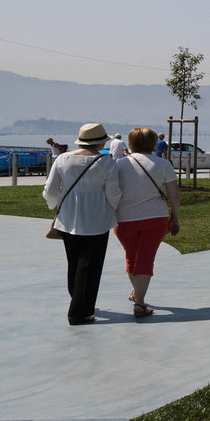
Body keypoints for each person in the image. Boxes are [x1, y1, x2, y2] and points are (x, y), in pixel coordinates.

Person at [42, 122, 122, 325]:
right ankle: (80, 310)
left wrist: (55, 205)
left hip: (68, 219)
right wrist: (112, 209)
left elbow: (50, 189)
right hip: (97, 220)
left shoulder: (62, 159)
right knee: (91, 266)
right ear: (101, 141)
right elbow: (113, 194)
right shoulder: (107, 163)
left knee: (75, 263)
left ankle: (78, 300)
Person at [113, 127, 180, 318]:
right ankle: (140, 302)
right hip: (155, 218)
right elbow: (174, 195)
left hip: (124, 219)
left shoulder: (118, 164)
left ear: (130, 143)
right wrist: (174, 217)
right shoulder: (163, 164)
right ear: (153, 143)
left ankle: (137, 294)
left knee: (131, 257)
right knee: (146, 258)